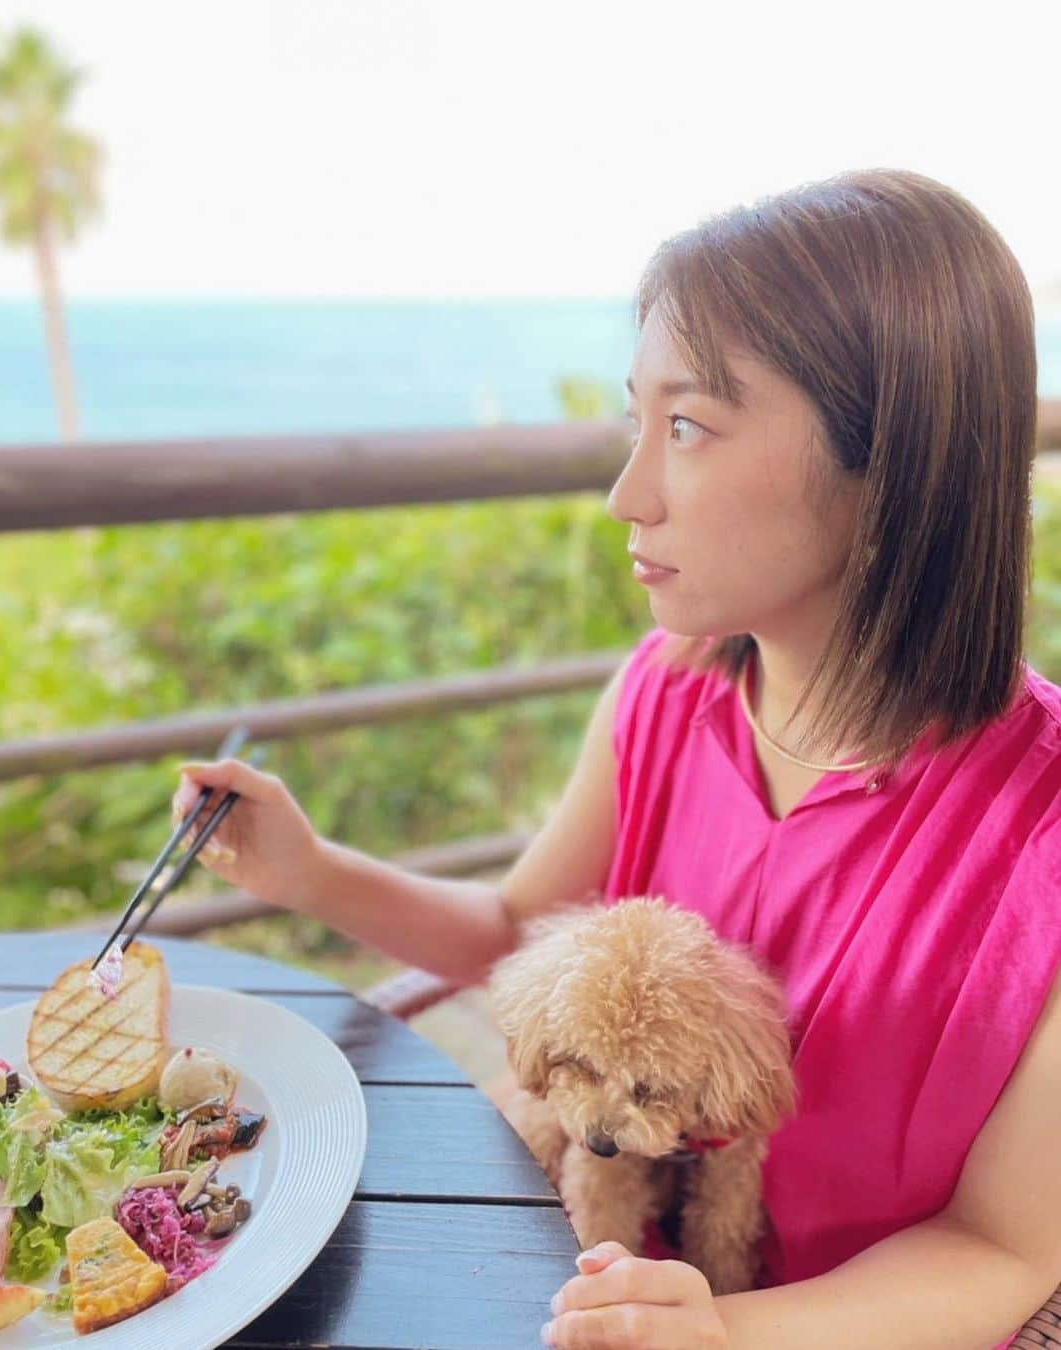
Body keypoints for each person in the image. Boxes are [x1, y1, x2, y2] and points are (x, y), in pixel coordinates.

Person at [172, 167, 1061, 1349]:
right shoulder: (666, 692)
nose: (624, 494)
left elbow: (1002, 1249)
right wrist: (305, 872)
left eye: (687, 427)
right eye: (634, 422)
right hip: (594, 1285)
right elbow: (517, 932)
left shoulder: (1037, 831)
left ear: (888, 461)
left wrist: (728, 1333)